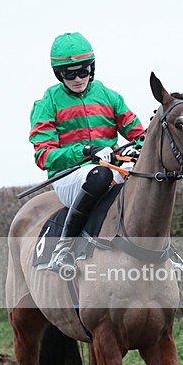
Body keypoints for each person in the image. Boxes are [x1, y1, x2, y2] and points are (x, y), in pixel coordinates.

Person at [29, 32, 145, 274]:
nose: (78, 78)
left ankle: (163, 249)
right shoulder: (48, 102)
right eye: (69, 73)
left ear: (92, 68)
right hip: (69, 176)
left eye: (83, 71)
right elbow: (44, 156)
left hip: (113, 166)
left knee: (149, 178)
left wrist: (140, 145)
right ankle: (65, 248)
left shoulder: (108, 95)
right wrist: (84, 150)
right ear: (58, 74)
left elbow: (137, 133)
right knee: (98, 175)